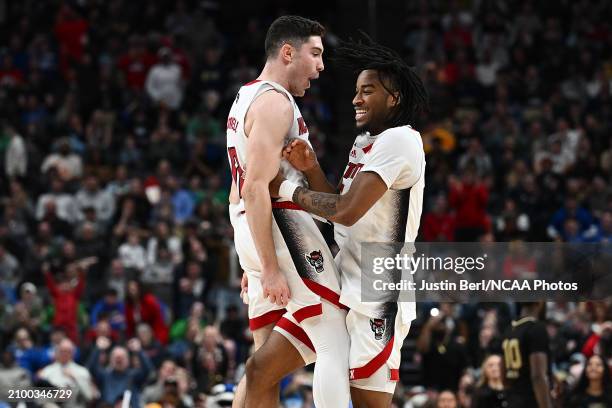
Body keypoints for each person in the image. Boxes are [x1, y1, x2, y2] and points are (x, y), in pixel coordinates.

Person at [271, 34, 427, 407]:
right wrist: (311, 170)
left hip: (378, 291)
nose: (356, 99)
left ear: (394, 98)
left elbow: (346, 210)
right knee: (263, 367)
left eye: (367, 91)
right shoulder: (365, 143)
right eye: (356, 90)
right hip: (343, 275)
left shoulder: (401, 141)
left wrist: (287, 191)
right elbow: (340, 208)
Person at [227, 16, 349, 408]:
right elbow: (256, 187)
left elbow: (238, 193)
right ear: (287, 52)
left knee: (264, 366)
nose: (321, 65)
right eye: (315, 54)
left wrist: (252, 261)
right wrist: (270, 264)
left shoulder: (245, 96)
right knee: (334, 333)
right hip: (281, 229)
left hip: (251, 227)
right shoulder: (275, 102)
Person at [502, 302, 553, 407]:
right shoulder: (537, 328)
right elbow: (538, 376)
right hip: (531, 401)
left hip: (512, 400)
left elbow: (504, 377)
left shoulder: (509, 330)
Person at [38, 338, 97, 407]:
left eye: (68, 351)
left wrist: (75, 378)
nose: (65, 354)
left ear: (73, 353)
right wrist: (56, 397)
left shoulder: (82, 371)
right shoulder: (47, 371)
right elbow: (38, 399)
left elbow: (89, 397)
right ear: (57, 352)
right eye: (62, 351)